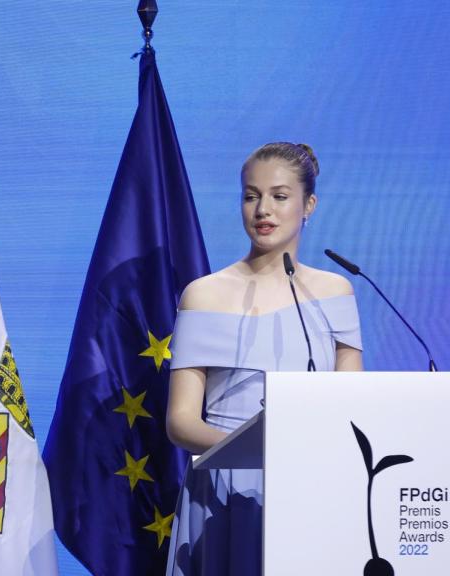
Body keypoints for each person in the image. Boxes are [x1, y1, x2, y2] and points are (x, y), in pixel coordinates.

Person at [164, 142, 363, 575]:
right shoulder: (205, 294)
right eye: (251, 195)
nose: (262, 210)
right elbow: (180, 420)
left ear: (309, 204)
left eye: (279, 196)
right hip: (224, 489)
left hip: (312, 484)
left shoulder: (335, 293)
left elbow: (353, 404)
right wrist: (254, 451)